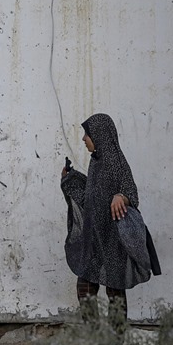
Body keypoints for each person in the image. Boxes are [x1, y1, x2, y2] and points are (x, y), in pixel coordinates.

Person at [60, 113, 154, 333]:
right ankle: (94, 338)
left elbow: (131, 191)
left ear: (99, 135)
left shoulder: (115, 161)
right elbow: (90, 200)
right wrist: (70, 180)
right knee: (85, 285)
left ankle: (116, 343)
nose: (84, 139)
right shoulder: (97, 162)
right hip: (94, 238)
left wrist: (122, 196)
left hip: (113, 241)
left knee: (115, 292)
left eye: (87, 134)